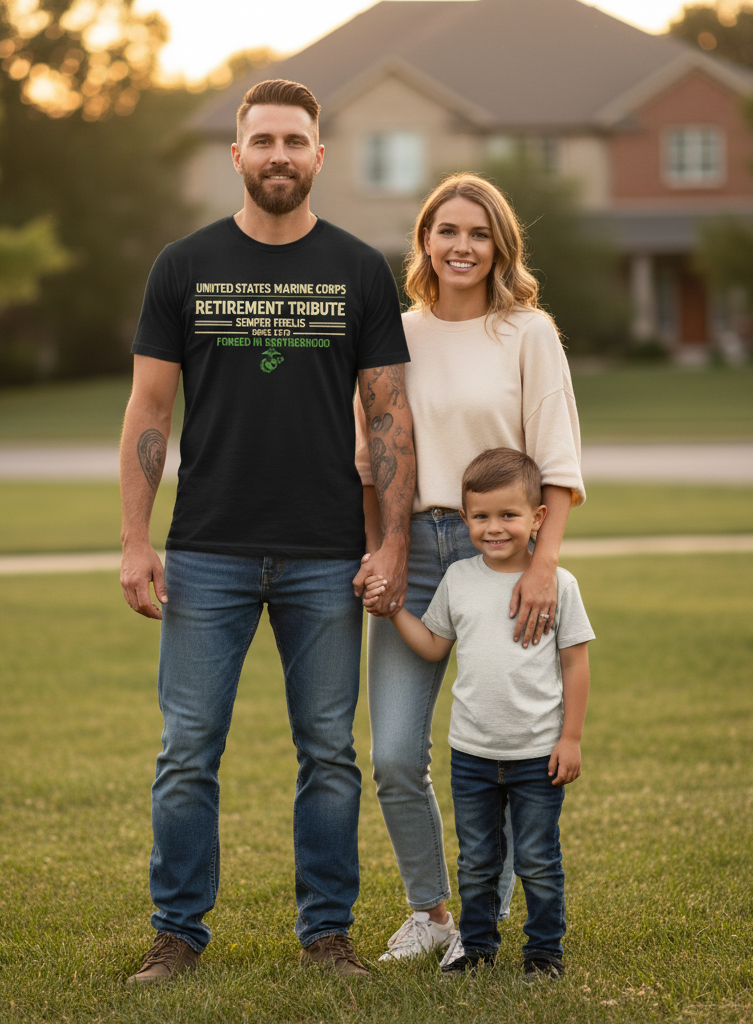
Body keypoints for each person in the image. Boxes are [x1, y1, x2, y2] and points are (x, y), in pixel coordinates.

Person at [119, 79, 415, 984]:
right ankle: (177, 935)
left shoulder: (361, 270)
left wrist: (392, 544)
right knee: (185, 753)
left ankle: (328, 935)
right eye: (264, 141)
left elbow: (389, 418)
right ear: (237, 154)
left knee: (328, 752)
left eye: (295, 140)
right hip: (207, 548)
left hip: (328, 553)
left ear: (319, 156)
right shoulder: (184, 265)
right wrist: (137, 539)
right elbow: (149, 407)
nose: (279, 155)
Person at [354, 173, 585, 961]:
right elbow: (370, 461)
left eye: (479, 233)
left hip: (503, 555)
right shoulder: (396, 331)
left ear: (500, 246)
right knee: (391, 753)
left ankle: (487, 911)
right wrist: (379, 550)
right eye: (447, 230)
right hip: (413, 550)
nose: (462, 246)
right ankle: (433, 914)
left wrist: (543, 564)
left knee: (514, 746)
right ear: (424, 240)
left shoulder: (528, 333)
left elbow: (555, 459)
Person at [363, 447, 593, 977]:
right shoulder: (459, 580)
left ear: (538, 517)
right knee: (477, 861)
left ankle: (543, 953)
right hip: (471, 755)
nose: (495, 528)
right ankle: (478, 948)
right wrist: (393, 609)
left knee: (537, 859)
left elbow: (576, 665)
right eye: (482, 516)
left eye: (508, 515)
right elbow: (432, 647)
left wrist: (571, 739)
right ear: (465, 518)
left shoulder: (558, 584)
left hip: (538, 754)